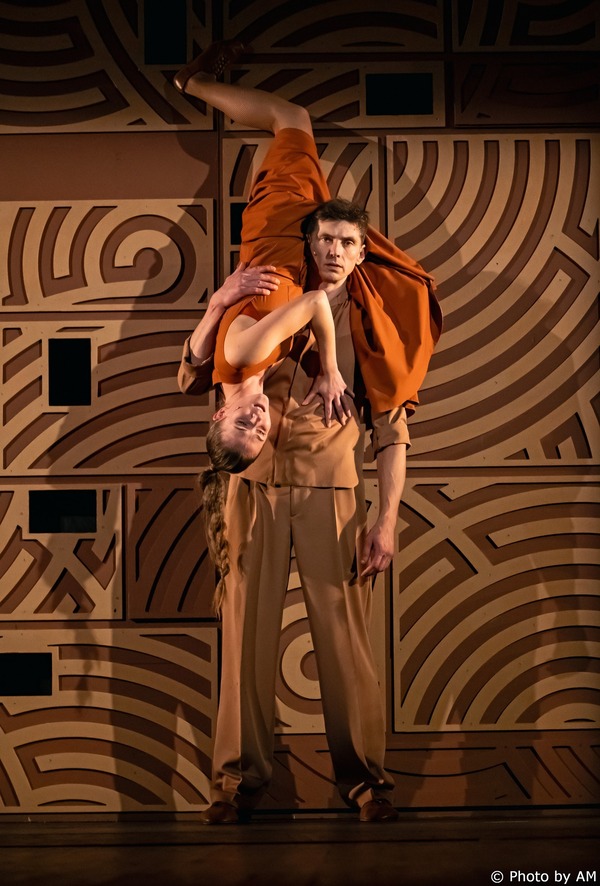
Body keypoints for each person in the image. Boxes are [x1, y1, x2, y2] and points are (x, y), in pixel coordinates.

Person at [176, 42, 442, 824]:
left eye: (347, 243)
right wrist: (219, 300)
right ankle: (239, 783)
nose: (333, 251)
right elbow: (194, 371)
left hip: (331, 488)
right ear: (311, 236)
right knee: (243, 636)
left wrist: (386, 520)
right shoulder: (267, 282)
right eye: (323, 239)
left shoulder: (375, 316)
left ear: (362, 249)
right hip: (249, 484)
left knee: (345, 640)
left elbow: (392, 431)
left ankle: (364, 782)